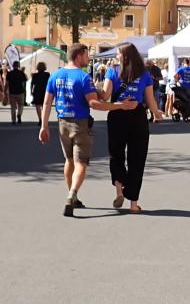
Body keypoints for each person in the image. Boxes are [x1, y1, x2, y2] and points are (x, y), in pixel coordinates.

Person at [38, 43, 138, 217]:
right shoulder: (83, 78)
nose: (89, 58)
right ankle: (72, 194)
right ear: (78, 56)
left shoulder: (55, 75)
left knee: (69, 160)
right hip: (80, 124)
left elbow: (47, 102)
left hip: (62, 122)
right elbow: (95, 103)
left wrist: (44, 126)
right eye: (86, 55)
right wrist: (120, 106)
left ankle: (72, 195)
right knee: (81, 163)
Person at [101, 42, 164, 213]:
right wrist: (157, 113)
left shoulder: (112, 71)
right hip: (138, 116)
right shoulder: (145, 74)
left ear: (125, 56)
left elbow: (105, 95)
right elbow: (150, 100)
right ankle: (133, 204)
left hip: (117, 114)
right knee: (137, 158)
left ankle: (119, 191)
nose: (116, 56)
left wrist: (92, 92)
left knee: (116, 154)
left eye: (118, 54)